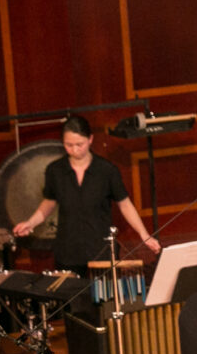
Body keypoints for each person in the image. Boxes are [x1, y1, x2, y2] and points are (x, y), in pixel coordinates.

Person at [14, 114, 161, 274]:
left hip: (100, 251)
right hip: (67, 251)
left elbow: (124, 204)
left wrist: (144, 235)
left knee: (104, 297)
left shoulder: (106, 170)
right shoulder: (55, 170)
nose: (74, 149)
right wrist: (31, 223)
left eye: (79, 144)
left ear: (90, 139)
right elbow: (49, 202)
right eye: (68, 145)